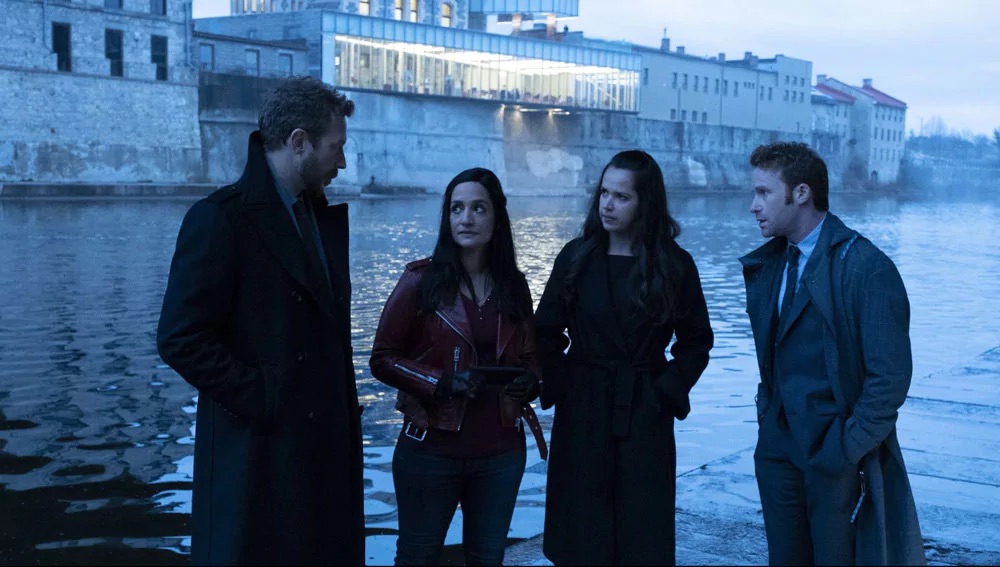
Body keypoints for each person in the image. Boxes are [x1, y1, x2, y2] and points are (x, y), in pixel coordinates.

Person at [156, 77, 364, 566]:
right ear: (299, 142)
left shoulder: (315, 216)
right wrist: (265, 396)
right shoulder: (220, 219)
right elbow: (179, 338)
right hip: (259, 457)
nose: (342, 161)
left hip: (318, 455)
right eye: (336, 147)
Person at [741, 141, 925, 565]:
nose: (754, 205)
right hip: (777, 450)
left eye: (764, 192)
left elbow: (890, 378)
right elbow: (773, 356)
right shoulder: (772, 262)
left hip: (835, 454)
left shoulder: (867, 266)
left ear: (801, 193)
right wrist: (767, 417)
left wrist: (846, 449)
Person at [535, 150, 714, 565]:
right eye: (604, 193)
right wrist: (568, 384)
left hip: (643, 409)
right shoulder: (575, 257)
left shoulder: (675, 265)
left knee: (640, 530)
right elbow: (544, 333)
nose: (608, 205)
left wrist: (662, 392)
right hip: (583, 408)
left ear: (645, 203)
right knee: (581, 531)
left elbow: (696, 342)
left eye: (621, 196)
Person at [369, 167, 547, 566]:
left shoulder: (514, 285)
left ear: (496, 217)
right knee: (417, 558)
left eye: (478, 208)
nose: (466, 218)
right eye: (456, 208)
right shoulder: (419, 281)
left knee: (487, 558)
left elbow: (530, 358)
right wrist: (441, 382)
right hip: (430, 449)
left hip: (501, 452)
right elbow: (381, 358)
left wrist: (530, 382)